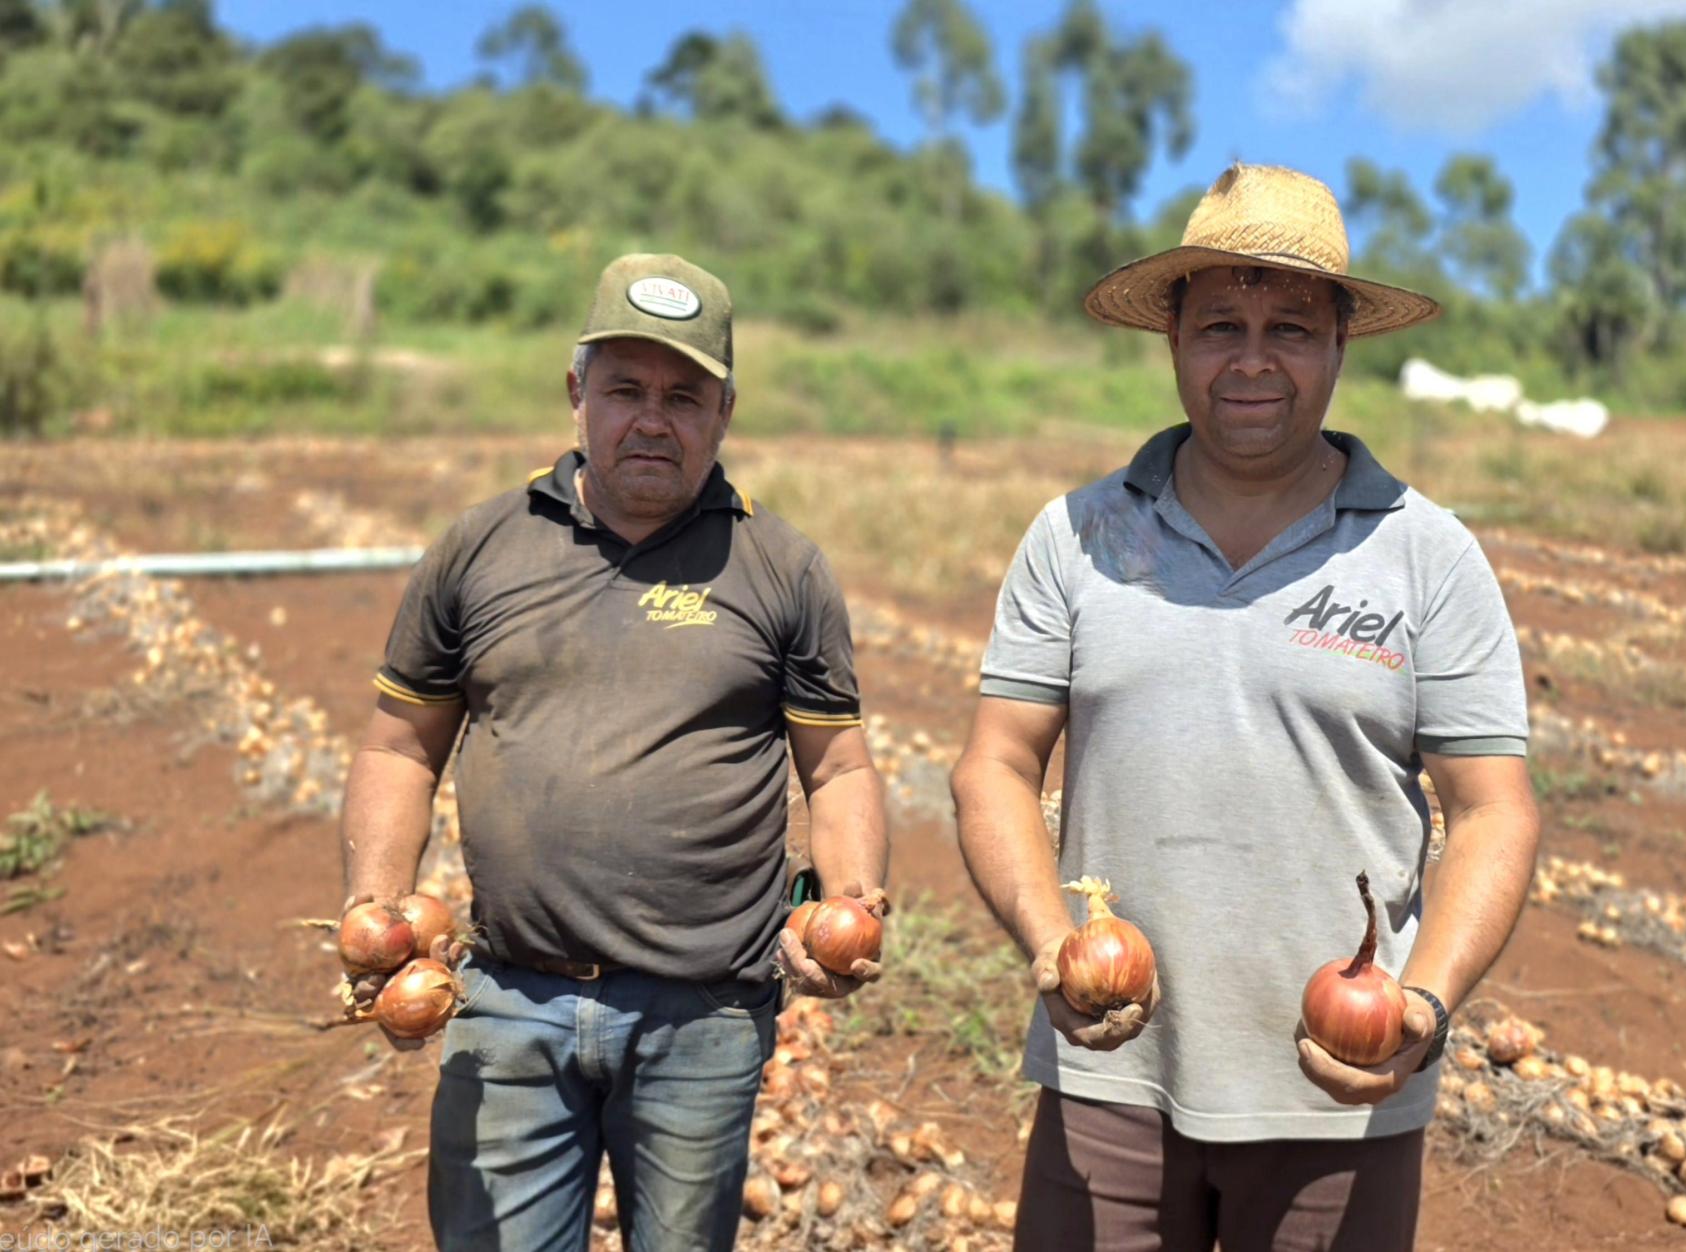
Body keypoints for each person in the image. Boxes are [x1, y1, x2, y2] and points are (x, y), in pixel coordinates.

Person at [949, 164, 1540, 1250]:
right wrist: (1050, 945)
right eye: (1221, 323)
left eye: (1291, 327)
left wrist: (1426, 1004)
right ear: (1172, 339)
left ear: (1339, 346)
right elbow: (994, 763)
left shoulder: (1425, 553)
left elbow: (1494, 809)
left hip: (1338, 1089)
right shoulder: (1077, 536)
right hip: (1109, 1075)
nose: (1255, 359)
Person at [338, 253, 889, 1252]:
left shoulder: (781, 567)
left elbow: (840, 767)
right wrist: (376, 911)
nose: (652, 418)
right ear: (575, 393)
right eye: (626, 388)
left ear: (725, 412)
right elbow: (398, 750)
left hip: (703, 1014)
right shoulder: (480, 548)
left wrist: (850, 900)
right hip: (506, 991)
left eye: (685, 395)